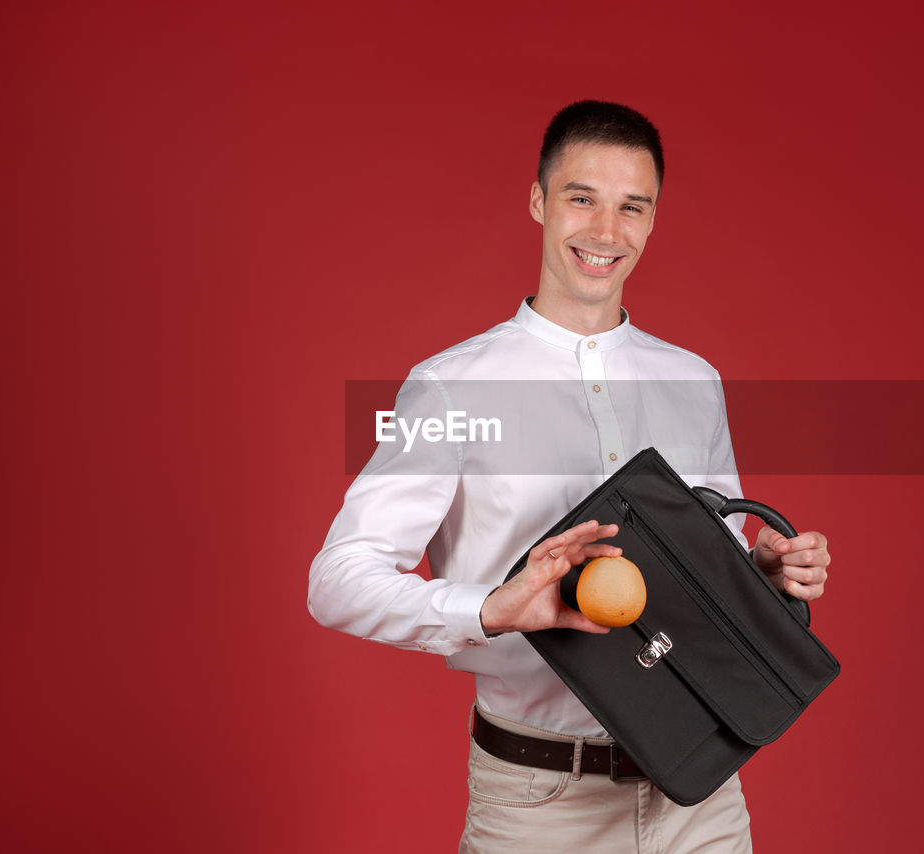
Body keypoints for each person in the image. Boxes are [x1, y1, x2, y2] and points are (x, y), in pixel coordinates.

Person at [308, 101, 831, 853]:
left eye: (632, 207)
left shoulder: (693, 380)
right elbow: (337, 579)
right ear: (538, 201)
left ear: (652, 222)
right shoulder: (452, 388)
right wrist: (494, 608)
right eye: (582, 198)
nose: (605, 232)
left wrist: (761, 572)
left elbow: (701, 578)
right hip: (538, 803)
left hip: (702, 795)